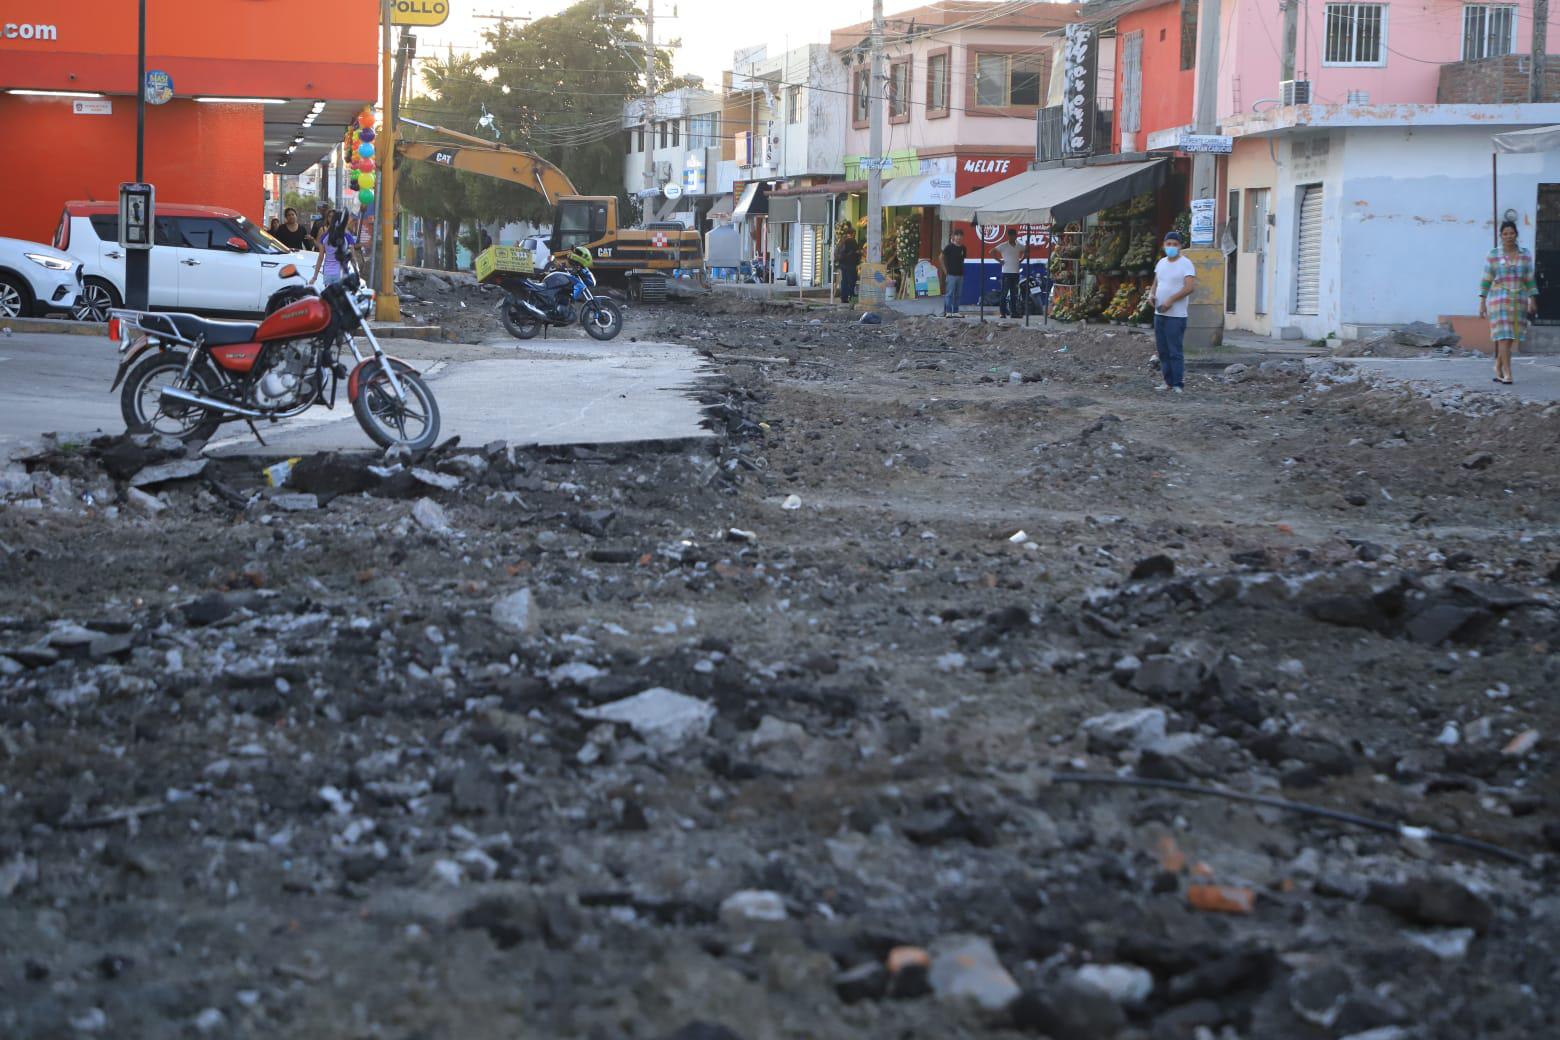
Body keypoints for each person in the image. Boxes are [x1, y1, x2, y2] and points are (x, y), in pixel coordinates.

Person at [1479, 219, 1538, 385]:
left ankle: (1497, 366)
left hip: (1519, 299)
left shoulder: (1525, 255)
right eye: (1505, 233)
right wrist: (1482, 301)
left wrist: (1532, 298)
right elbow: (1486, 279)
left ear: (1516, 234)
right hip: (1500, 299)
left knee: (1511, 337)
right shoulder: (1493, 255)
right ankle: (1508, 373)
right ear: (1501, 236)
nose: (1508, 236)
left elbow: (1529, 279)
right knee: (1504, 337)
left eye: (1511, 233)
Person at [1151, 231, 1198, 393]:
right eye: (1168, 244)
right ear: (1164, 245)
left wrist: (1171, 299)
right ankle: (1167, 382)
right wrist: (1151, 295)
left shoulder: (1186, 264)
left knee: (1174, 351)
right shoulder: (1161, 263)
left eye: (1174, 244)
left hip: (1176, 316)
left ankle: (1178, 383)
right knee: (1163, 351)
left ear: (1180, 246)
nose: (1171, 247)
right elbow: (1156, 282)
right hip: (1160, 314)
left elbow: (1189, 287)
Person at [310, 212, 357, 287]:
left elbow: (320, 257)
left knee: (329, 297)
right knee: (340, 297)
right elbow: (353, 257)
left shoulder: (325, 236)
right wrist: (357, 273)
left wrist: (314, 277)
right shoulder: (347, 236)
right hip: (341, 274)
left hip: (327, 273)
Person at [939, 228, 967, 316]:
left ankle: (955, 311)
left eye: (960, 235)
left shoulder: (963, 248)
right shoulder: (949, 247)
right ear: (953, 237)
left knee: (958, 294)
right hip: (951, 274)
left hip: (960, 274)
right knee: (949, 294)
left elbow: (962, 260)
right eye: (957, 235)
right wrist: (945, 270)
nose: (958, 237)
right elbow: (940, 257)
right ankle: (947, 311)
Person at [996, 228, 1023, 317]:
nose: (1012, 237)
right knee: (1004, 294)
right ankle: (1002, 313)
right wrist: (999, 261)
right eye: (1011, 236)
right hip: (1006, 273)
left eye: (1014, 236)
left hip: (1015, 273)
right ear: (1009, 236)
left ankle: (1013, 312)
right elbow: (991, 252)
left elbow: (1026, 251)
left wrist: (1021, 260)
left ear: (1016, 236)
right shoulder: (1003, 245)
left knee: (1014, 294)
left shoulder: (1019, 245)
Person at [835, 228, 860, 303]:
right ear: (852, 233)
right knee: (851, 280)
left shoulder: (842, 240)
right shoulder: (852, 240)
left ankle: (844, 297)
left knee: (844, 280)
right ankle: (851, 296)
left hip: (843, 263)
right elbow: (856, 251)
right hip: (850, 264)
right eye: (854, 233)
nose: (855, 235)